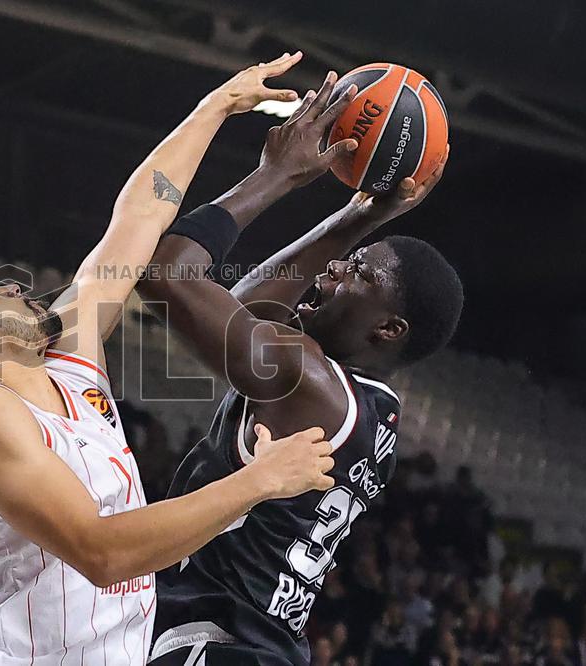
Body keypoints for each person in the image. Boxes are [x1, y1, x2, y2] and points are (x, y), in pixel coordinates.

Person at [0, 53, 339, 665]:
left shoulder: (69, 357)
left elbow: (140, 215)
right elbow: (102, 553)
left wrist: (217, 106)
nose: (11, 285)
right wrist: (258, 481)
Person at [138, 72, 462, 665]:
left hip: (219, 644)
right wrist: (355, 217)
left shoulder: (308, 380)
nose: (334, 269)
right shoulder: (369, 411)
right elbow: (246, 311)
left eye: (358, 272)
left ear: (388, 329)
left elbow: (167, 276)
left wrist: (277, 174)